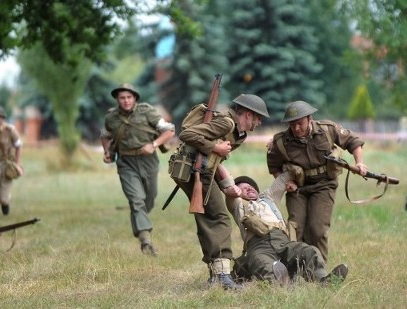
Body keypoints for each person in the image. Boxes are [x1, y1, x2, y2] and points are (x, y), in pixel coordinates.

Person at [171, 94, 269, 290]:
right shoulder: (226, 123)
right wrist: (215, 147)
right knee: (220, 218)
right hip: (194, 170)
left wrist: (227, 184)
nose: (259, 122)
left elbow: (217, 159)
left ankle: (216, 274)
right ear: (248, 115)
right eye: (258, 118)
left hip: (203, 171)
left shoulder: (239, 134)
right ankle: (223, 276)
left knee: (209, 218)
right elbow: (187, 135)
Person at [266, 100, 367, 262]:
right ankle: (295, 268)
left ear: (309, 118)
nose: (296, 128)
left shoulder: (328, 130)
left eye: (299, 123)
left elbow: (353, 142)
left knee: (317, 229)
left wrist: (359, 162)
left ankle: (318, 269)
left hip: (324, 185)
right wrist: (285, 182)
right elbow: (274, 166)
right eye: (292, 125)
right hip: (298, 189)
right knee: (295, 228)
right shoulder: (281, 142)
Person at [226, 173, 349, 286]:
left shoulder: (268, 198)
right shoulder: (237, 205)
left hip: (283, 241)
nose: (248, 188)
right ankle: (283, 288)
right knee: (262, 263)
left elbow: (283, 178)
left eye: (250, 186)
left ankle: (324, 281)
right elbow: (227, 187)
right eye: (242, 188)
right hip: (258, 246)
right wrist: (232, 189)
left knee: (309, 251)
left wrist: (297, 169)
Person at [101, 83, 175, 256]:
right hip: (126, 162)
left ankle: (139, 217)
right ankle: (145, 240)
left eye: (129, 97)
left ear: (134, 98)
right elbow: (105, 135)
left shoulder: (147, 111)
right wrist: (107, 151)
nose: (126, 101)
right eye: (122, 98)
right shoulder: (111, 117)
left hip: (148, 161)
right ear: (117, 100)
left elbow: (169, 131)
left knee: (149, 199)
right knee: (136, 200)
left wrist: (154, 144)